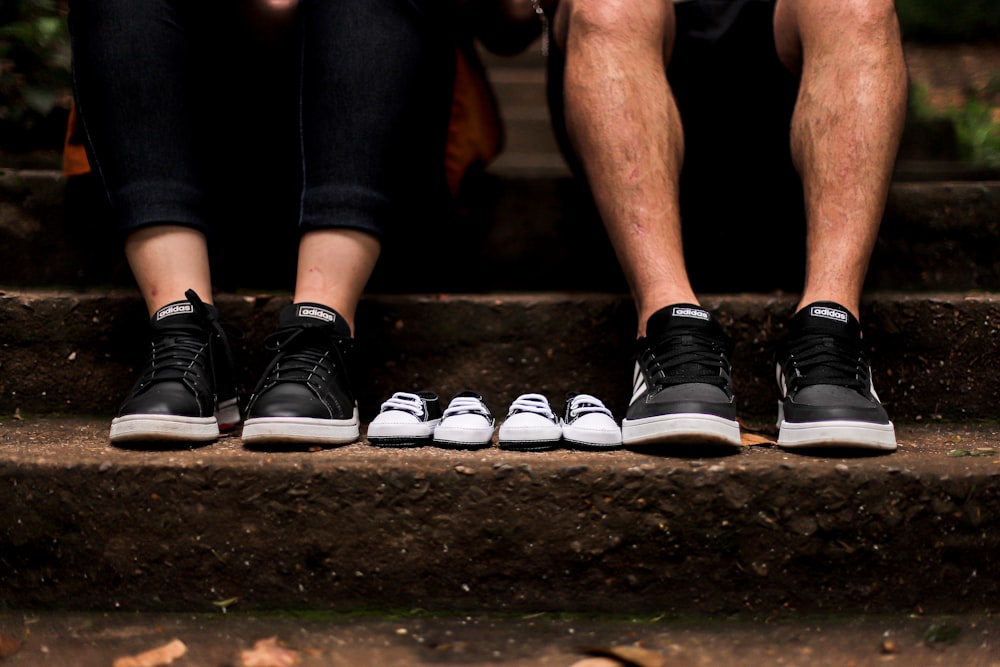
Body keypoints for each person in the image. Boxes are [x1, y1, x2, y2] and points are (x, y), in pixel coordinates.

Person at [500, 0, 907, 451]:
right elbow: (505, 26)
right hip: (615, 96)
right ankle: (668, 329)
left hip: (786, 118)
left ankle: (831, 331)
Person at [68, 0, 461, 445]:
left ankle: (321, 329)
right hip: (189, 181)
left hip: (378, 184)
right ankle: (182, 332)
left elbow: (513, 29)